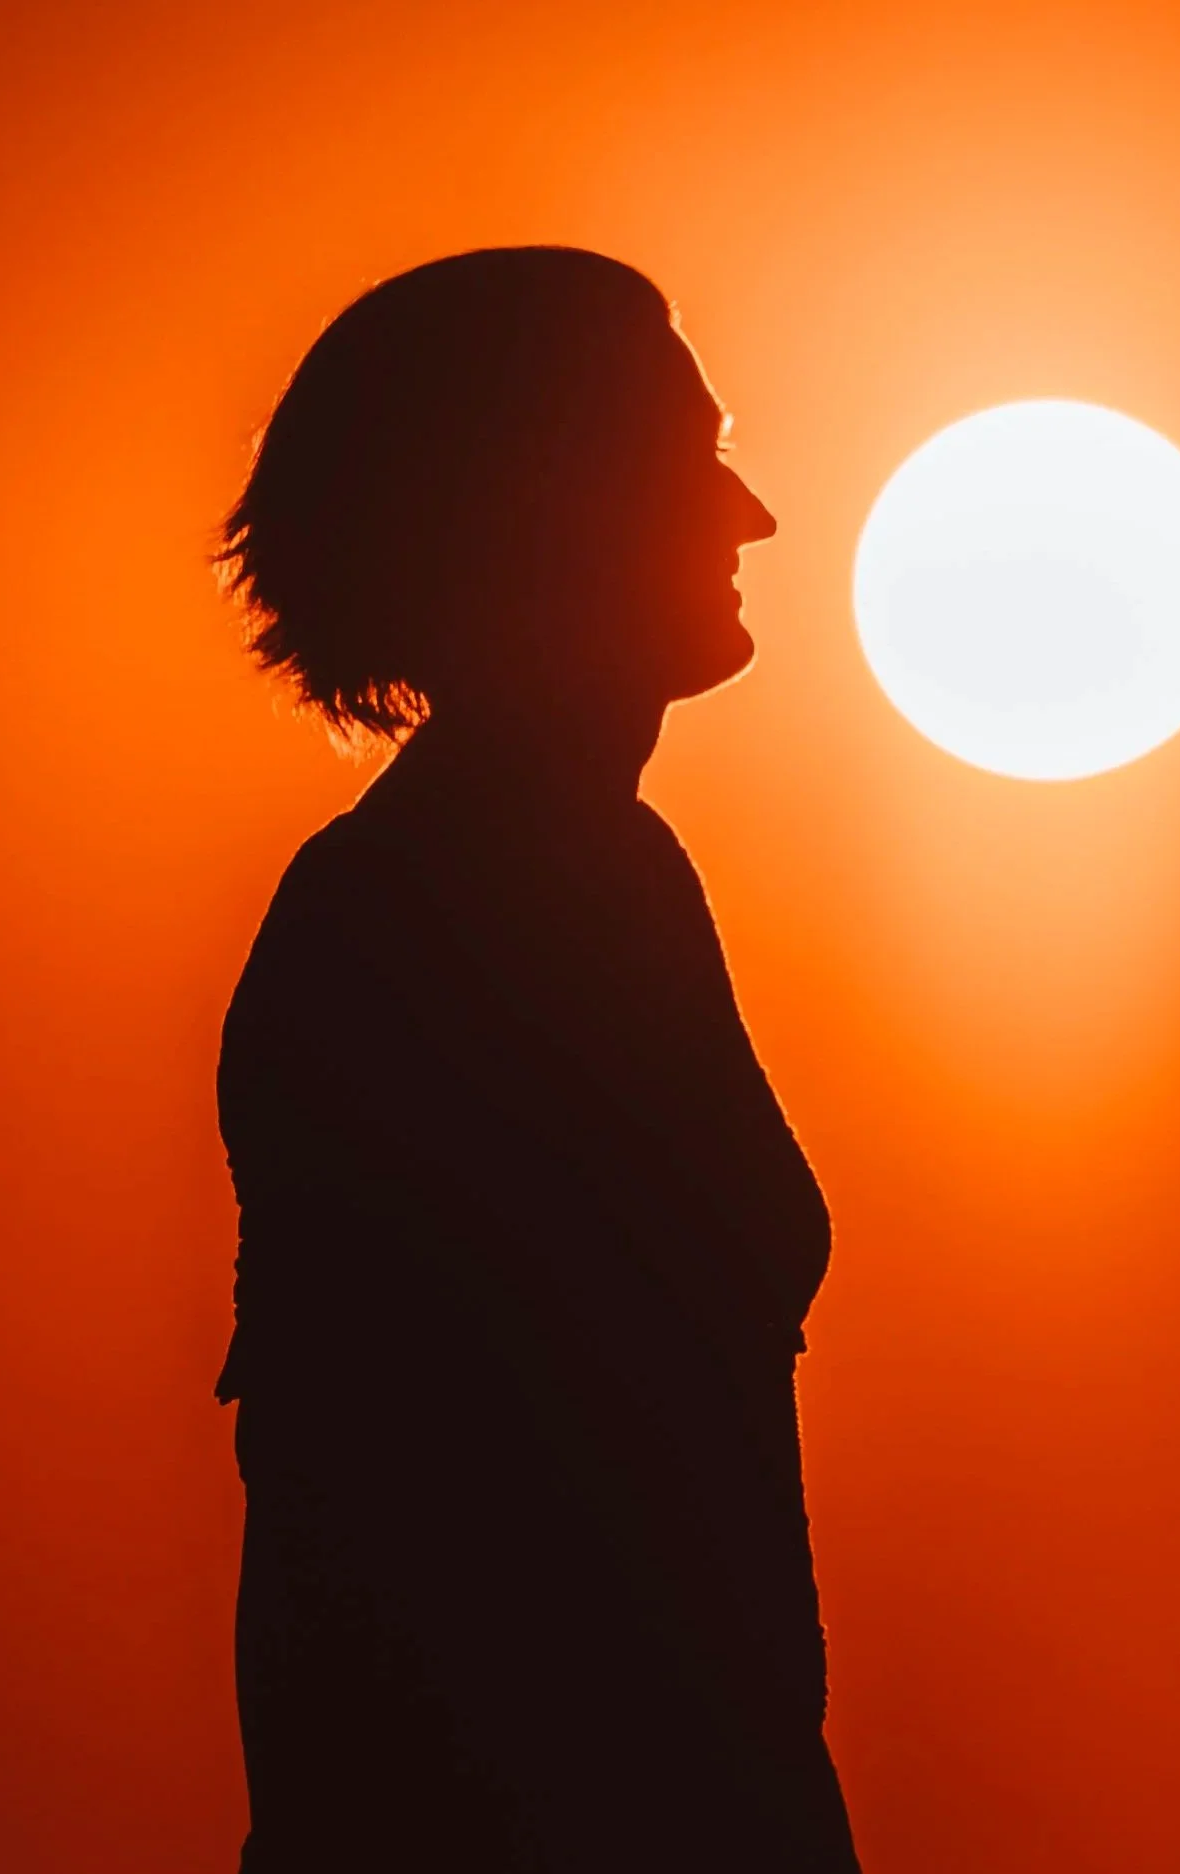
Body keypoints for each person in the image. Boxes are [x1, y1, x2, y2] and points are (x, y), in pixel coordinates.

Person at [212, 247, 859, 1871]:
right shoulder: (454, 905)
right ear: (543, 506)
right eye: (684, 461)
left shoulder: (594, 869)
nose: (750, 516)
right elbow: (403, 1538)